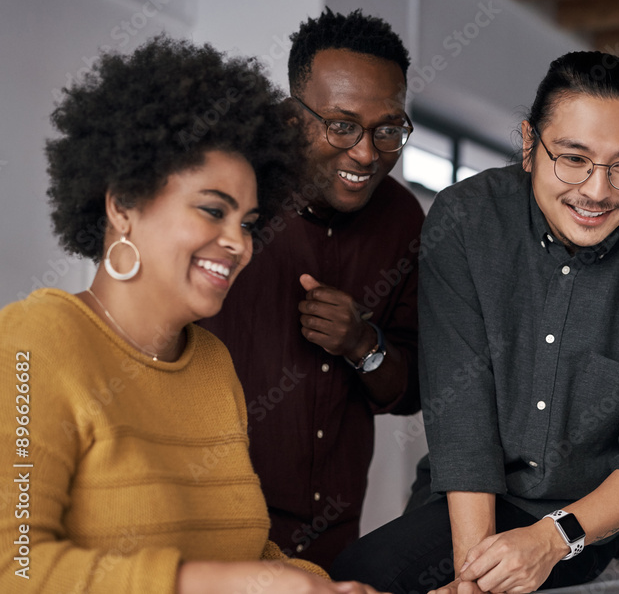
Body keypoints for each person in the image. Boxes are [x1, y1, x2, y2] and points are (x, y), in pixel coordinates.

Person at [330, 51, 619, 594]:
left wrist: (550, 539)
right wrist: (477, 578)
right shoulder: (467, 219)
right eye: (573, 158)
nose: (596, 190)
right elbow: (461, 416)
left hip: (585, 527)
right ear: (528, 144)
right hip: (466, 501)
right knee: (362, 578)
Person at [0, 36, 379, 594]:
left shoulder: (210, 363)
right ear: (122, 204)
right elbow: (17, 571)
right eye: (212, 210)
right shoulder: (35, 344)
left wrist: (324, 586)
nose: (239, 244)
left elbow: (247, 551)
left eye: (248, 222)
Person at [200, 8, 424, 565]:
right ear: (289, 119)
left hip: (333, 541)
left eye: (388, 129)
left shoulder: (402, 219)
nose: (368, 153)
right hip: (213, 533)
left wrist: (363, 345)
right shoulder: (223, 201)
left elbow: (413, 388)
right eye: (342, 125)